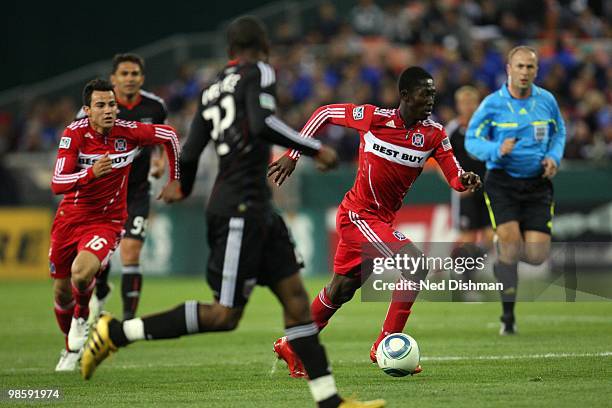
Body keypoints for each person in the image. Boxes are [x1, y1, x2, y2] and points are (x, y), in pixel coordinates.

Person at [80, 16, 384, 408]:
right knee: (225, 315)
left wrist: (182, 186)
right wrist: (312, 148)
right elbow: (262, 123)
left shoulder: (209, 92)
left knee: (295, 299)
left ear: (228, 53)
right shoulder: (259, 70)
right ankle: (118, 332)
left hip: (256, 207)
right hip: (239, 208)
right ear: (263, 48)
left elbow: (189, 152)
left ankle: (330, 401)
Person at [269, 66, 482, 377]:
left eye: (434, 94)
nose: (431, 100)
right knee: (415, 265)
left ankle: (291, 345)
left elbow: (453, 176)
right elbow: (324, 113)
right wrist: (294, 153)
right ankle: (386, 342)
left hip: (379, 219)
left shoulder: (434, 134)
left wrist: (464, 180)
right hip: (358, 215)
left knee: (340, 290)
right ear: (406, 95)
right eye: (426, 94)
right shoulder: (374, 119)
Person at [51, 79, 180, 371]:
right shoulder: (74, 134)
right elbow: (58, 183)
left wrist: (175, 179)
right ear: (87, 110)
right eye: (100, 105)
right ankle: (71, 346)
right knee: (61, 291)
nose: (108, 110)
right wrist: (90, 174)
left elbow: (170, 136)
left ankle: (82, 319)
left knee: (81, 274)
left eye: (112, 104)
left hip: (107, 221)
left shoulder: (129, 131)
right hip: (69, 220)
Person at [465, 45, 566, 335]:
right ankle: (507, 317)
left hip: (537, 184)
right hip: (502, 182)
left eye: (529, 67)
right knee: (510, 244)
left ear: (536, 70)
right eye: (519, 66)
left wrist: (554, 158)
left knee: (535, 256)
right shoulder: (492, 104)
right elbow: (472, 140)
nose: (524, 72)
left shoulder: (547, 101)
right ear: (509, 69)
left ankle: (504, 263)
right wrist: (496, 148)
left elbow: (559, 131)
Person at [83, 54, 168, 323]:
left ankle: (128, 320)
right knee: (100, 258)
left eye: (134, 74)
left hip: (137, 191)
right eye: (124, 74)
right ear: (113, 79)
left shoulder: (155, 107)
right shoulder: (96, 107)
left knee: (130, 251)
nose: (129, 79)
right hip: (103, 195)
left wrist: (160, 162)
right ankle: (101, 287)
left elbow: (162, 139)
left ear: (142, 78)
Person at [446, 86, 493, 296]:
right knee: (467, 236)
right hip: (465, 191)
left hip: (488, 188)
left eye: (471, 102)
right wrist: (454, 183)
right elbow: (441, 162)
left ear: (477, 103)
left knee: (492, 237)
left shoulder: (488, 127)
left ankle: (464, 270)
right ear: (458, 105)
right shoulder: (452, 130)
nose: (467, 106)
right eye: (463, 102)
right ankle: (465, 282)